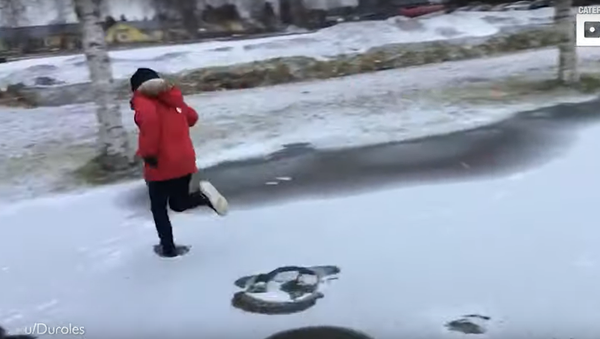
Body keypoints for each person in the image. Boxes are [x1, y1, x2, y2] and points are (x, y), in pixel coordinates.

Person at [130, 67, 228, 258]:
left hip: (160, 163)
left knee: (159, 208)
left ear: (137, 88)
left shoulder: (144, 101)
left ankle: (168, 249)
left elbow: (150, 122)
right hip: (184, 161)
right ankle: (202, 197)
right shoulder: (172, 97)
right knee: (178, 202)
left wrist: (148, 153)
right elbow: (192, 118)